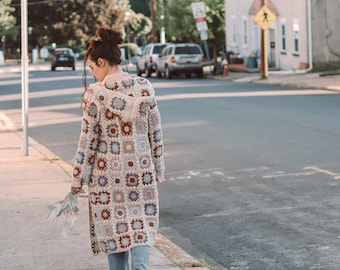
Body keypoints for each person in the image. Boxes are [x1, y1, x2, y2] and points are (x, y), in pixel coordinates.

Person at [70, 26, 165, 270]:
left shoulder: (95, 95)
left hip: (107, 178)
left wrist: (78, 178)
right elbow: (155, 132)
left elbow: (87, 141)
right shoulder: (144, 88)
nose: (92, 74)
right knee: (141, 224)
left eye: (92, 67)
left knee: (114, 230)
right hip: (141, 173)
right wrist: (158, 167)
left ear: (101, 62)